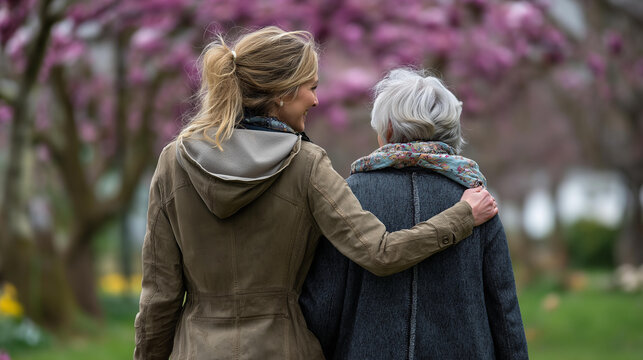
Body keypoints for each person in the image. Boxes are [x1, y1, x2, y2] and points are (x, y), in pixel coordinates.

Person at [133, 27, 498, 359]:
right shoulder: (306, 164)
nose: (316, 100)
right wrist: (462, 215)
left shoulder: (174, 161)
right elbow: (380, 253)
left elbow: (159, 297)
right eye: (311, 87)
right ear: (281, 93)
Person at [300, 68, 529, 359]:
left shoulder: (347, 196)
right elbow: (504, 308)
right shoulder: (477, 200)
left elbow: (322, 305)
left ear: (389, 130)